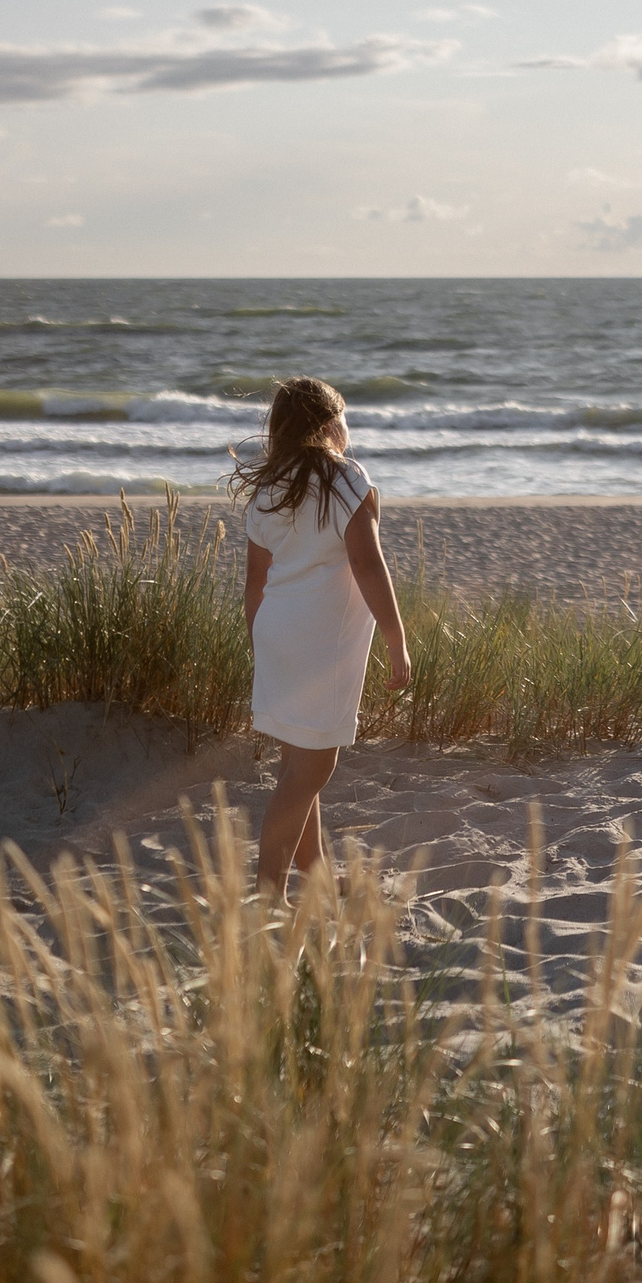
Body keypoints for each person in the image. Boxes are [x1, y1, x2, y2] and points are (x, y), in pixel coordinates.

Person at [230, 376, 411, 899]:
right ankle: (269, 894)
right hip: (319, 643)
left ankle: (316, 879)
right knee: (312, 769)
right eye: (345, 417)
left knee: (297, 762)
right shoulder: (345, 478)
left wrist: (260, 646)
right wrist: (397, 639)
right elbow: (368, 565)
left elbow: (255, 582)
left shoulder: (270, 489)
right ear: (332, 424)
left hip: (276, 631)